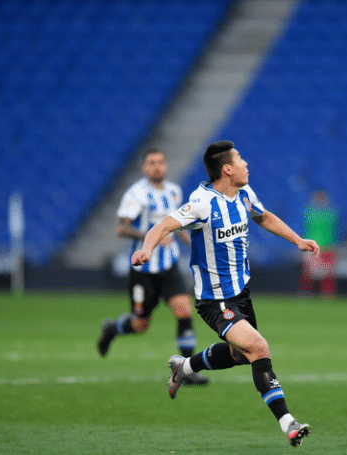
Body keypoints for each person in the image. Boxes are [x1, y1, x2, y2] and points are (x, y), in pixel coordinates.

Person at [131, 140, 319, 447]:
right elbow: (163, 226)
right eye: (241, 159)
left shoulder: (244, 194)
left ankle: (184, 367)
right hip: (215, 300)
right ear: (227, 169)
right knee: (258, 348)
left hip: (241, 294)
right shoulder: (202, 203)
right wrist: (146, 249)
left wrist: (297, 240)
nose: (247, 164)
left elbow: (264, 216)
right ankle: (289, 423)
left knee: (240, 355)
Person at [97, 148, 208, 386]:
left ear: (165, 166)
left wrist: (197, 247)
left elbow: (177, 227)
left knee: (184, 310)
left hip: (169, 265)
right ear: (144, 167)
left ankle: (186, 371)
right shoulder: (136, 194)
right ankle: (111, 328)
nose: (156, 166)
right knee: (140, 325)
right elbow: (121, 229)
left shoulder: (174, 192)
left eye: (160, 162)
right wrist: (151, 235)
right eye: (151, 162)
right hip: (143, 269)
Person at [298, 189, 339, 298]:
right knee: (308, 273)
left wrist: (335, 246)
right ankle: (306, 293)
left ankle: (328, 294)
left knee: (328, 273)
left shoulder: (331, 214)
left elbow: (335, 232)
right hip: (311, 247)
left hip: (327, 247)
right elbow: (305, 230)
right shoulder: (308, 213)